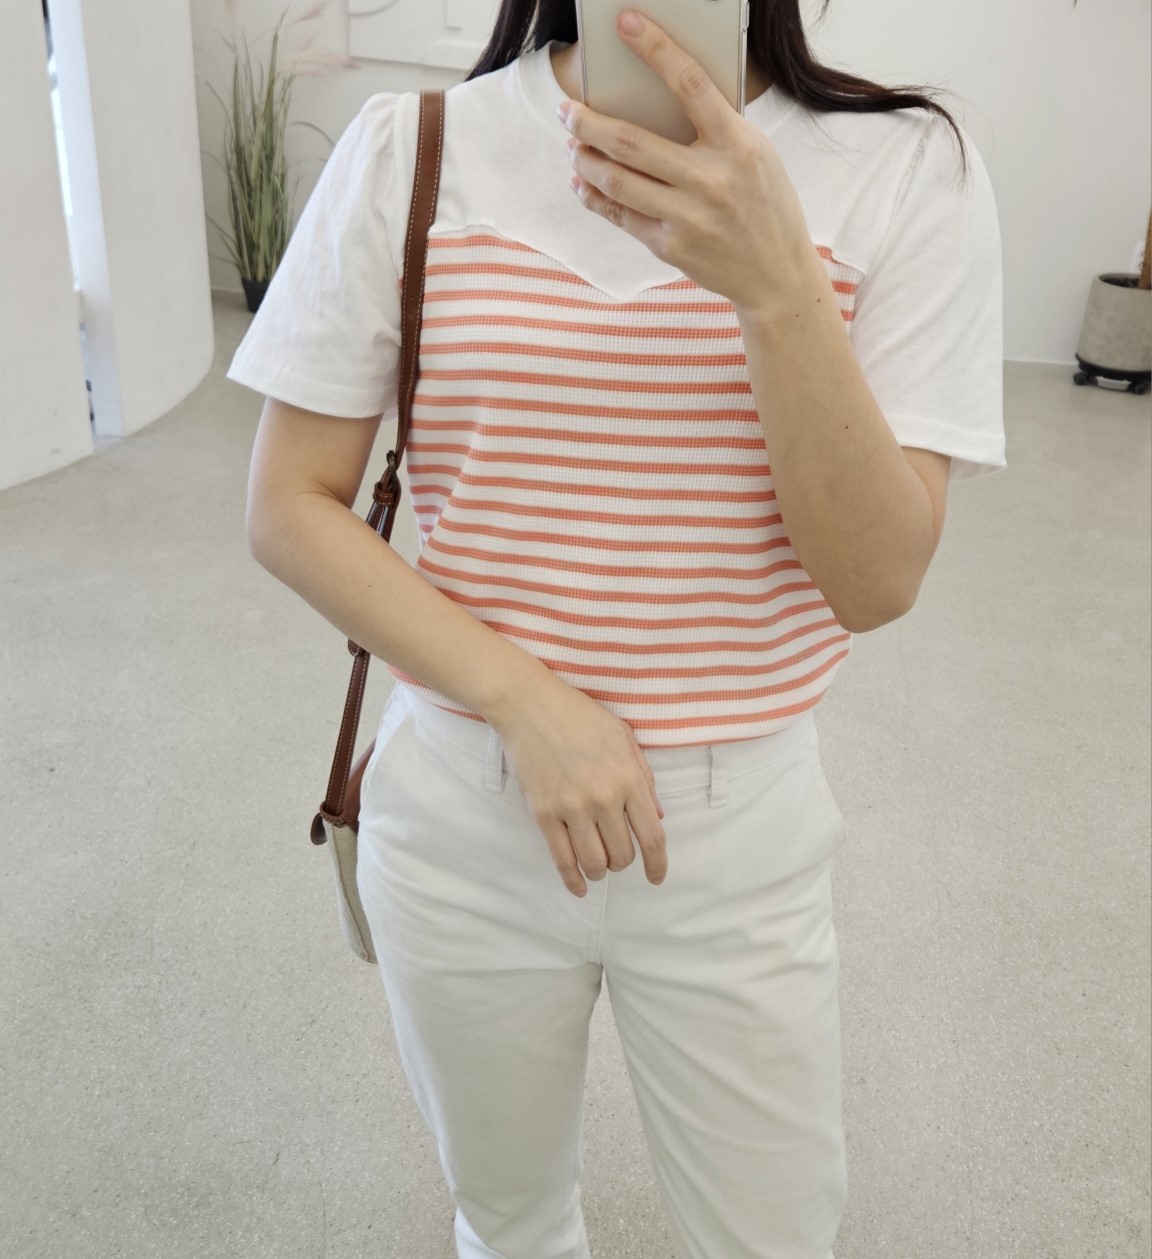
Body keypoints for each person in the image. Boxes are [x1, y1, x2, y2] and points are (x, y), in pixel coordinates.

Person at [226, 2, 1006, 1255]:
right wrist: (526, 700)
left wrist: (775, 283)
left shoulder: (907, 165)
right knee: (510, 1221)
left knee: (771, 1236)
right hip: (465, 807)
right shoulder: (415, 146)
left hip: (736, 831)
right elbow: (288, 505)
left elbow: (875, 579)